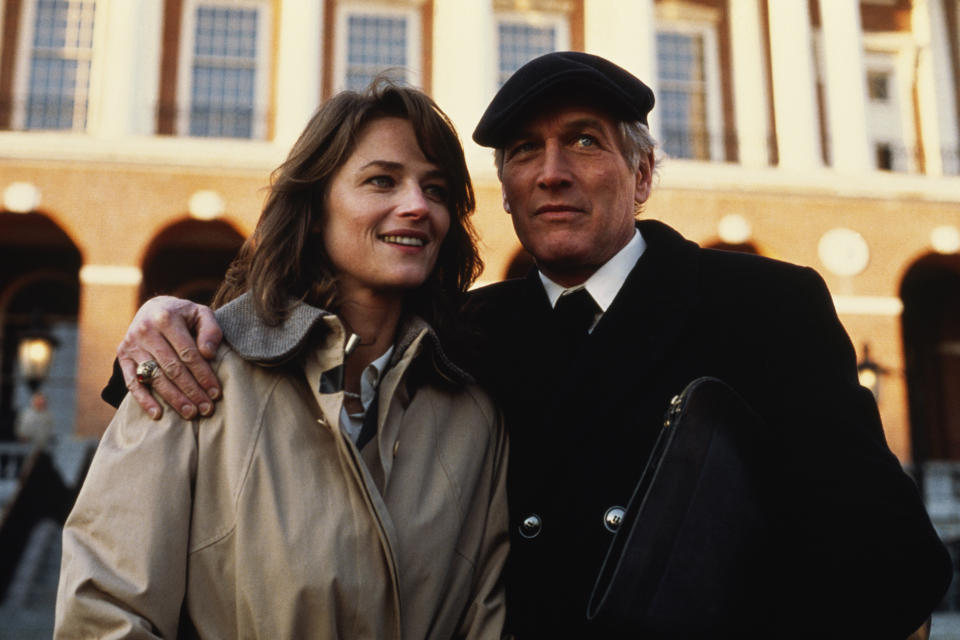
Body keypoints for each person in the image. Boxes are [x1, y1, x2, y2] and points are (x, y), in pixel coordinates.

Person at [102, 52, 950, 638]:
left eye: (585, 140)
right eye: (523, 152)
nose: (552, 171)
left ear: (642, 173)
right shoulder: (471, 335)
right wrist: (172, 322)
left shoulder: (763, 308)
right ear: (502, 192)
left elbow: (893, 565)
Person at [57, 81, 508, 639]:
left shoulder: (475, 413)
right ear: (316, 207)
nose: (417, 206)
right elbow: (103, 614)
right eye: (381, 181)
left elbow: (488, 619)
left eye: (435, 189)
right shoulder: (192, 374)